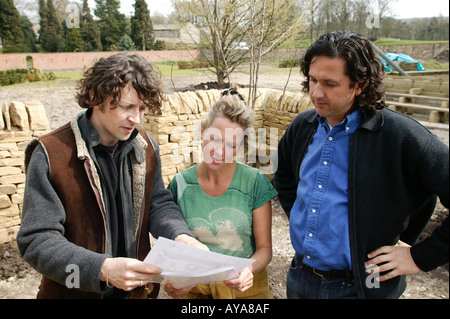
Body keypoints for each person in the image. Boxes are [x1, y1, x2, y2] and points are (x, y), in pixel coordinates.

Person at [274, 30, 448, 299]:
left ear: (360, 84)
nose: (316, 93)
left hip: (363, 289)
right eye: (312, 80)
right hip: (299, 279)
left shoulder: (401, 137)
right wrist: (302, 213)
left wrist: (419, 257)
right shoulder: (302, 127)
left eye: (330, 84)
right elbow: (284, 174)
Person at [17, 53, 206, 299]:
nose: (136, 119)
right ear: (95, 97)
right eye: (127, 107)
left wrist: (181, 236)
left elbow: (158, 203)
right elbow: (36, 240)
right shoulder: (50, 154)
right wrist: (102, 269)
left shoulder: (145, 145)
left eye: (141, 108)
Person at [165, 88, 277, 299]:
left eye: (231, 145)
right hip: (195, 292)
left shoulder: (255, 183)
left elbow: (264, 248)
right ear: (203, 130)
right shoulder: (179, 185)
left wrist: (248, 270)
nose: (219, 151)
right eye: (214, 139)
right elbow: (173, 246)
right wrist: (179, 280)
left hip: (246, 293)